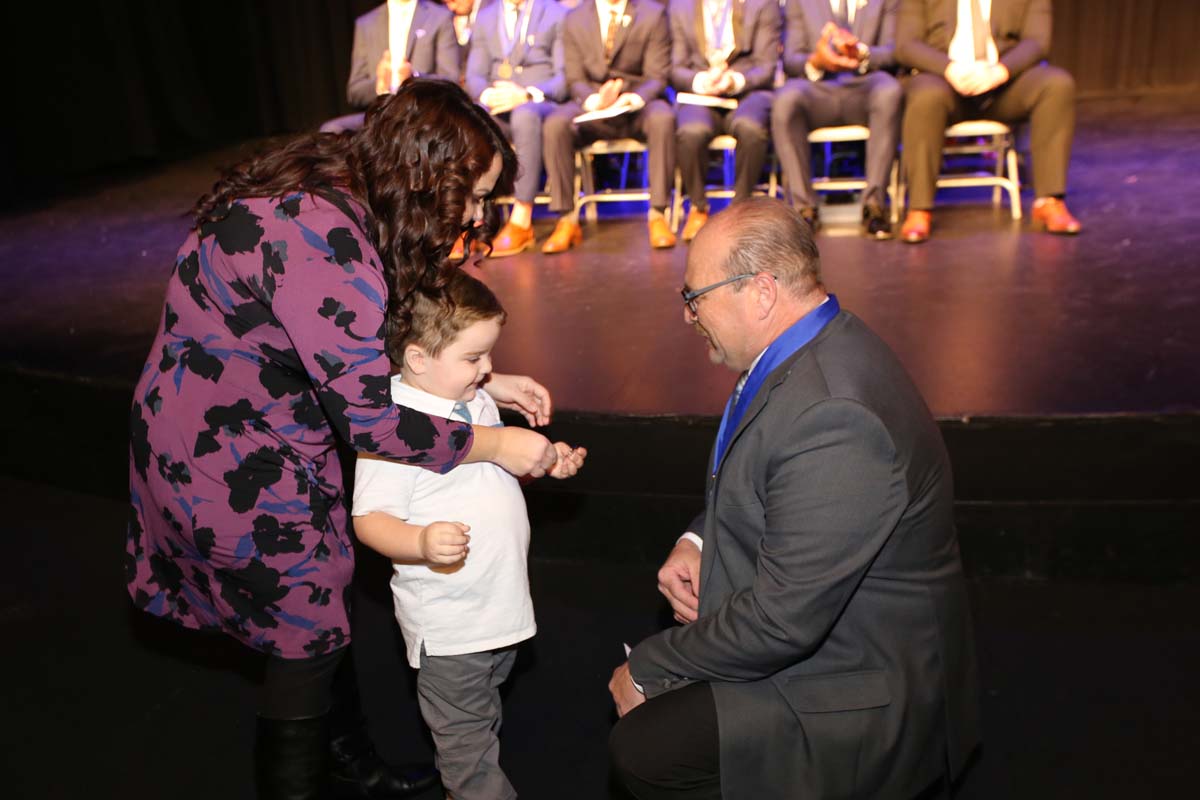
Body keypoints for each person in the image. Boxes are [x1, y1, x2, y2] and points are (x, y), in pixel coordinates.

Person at [127, 79, 565, 800]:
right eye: (475, 195)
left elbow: (351, 348)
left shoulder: (352, 174)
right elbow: (371, 418)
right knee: (305, 625)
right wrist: (494, 445)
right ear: (428, 177)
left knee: (322, 599)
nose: (479, 215)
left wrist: (483, 385)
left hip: (248, 420)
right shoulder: (323, 237)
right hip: (222, 445)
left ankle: (351, 765)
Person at [607, 198, 981, 799]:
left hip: (863, 680)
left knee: (646, 750)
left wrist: (650, 666)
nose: (689, 316)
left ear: (758, 292)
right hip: (835, 634)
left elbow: (783, 623)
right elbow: (762, 477)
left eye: (694, 298)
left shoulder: (835, 413)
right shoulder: (806, 350)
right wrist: (699, 538)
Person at [352, 271, 586, 800]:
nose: (487, 372)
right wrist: (420, 542)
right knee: (468, 753)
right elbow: (369, 520)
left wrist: (544, 463)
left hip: (498, 609)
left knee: (481, 718)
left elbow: (490, 471)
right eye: (474, 358)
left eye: (488, 358)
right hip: (450, 622)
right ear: (417, 359)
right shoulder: (394, 428)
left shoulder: (470, 398)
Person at [895, 0, 1080, 243]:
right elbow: (906, 45)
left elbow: (1037, 41)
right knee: (925, 97)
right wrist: (949, 68)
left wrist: (1000, 71)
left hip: (1004, 85)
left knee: (1057, 85)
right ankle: (919, 209)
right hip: (944, 81)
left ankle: (1049, 201)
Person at [541, 0, 679, 253]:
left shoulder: (653, 13)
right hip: (594, 104)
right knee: (556, 124)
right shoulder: (575, 17)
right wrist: (595, 100)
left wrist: (630, 98)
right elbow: (574, 78)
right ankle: (566, 218)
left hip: (636, 103)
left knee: (663, 118)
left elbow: (657, 75)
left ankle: (658, 214)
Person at [772, 0, 902, 238]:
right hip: (817, 89)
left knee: (890, 91)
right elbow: (791, 59)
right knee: (785, 100)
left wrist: (861, 53)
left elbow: (894, 51)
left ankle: (874, 207)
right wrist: (816, 61)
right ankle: (804, 209)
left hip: (864, 86)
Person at [669, 0, 782, 242]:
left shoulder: (761, 4)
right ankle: (698, 208)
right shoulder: (681, 6)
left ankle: (740, 209)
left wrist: (734, 81)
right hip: (701, 93)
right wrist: (701, 81)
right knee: (690, 131)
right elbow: (676, 68)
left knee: (750, 128)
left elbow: (766, 65)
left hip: (748, 90)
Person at [465, 0, 569, 257]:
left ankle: (522, 217)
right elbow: (474, 76)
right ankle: (471, 220)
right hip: (498, 104)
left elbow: (564, 78)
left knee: (524, 116)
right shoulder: (486, 16)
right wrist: (490, 95)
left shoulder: (556, 13)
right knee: (470, 118)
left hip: (539, 103)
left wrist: (527, 94)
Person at [321, 0, 463, 133]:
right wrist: (379, 84)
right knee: (332, 129)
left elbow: (451, 80)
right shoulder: (366, 23)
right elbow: (354, 92)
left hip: (421, 112)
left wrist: (414, 78)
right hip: (381, 115)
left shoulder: (439, 17)